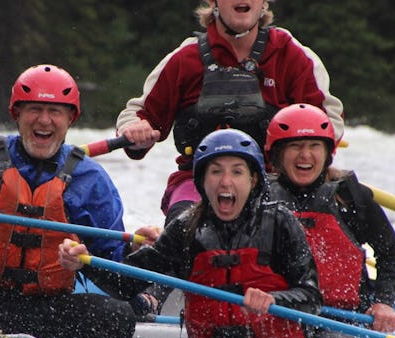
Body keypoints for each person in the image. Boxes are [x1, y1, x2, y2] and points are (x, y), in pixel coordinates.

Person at [60, 129, 323, 338]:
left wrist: (274, 300)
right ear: (201, 180)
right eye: (216, 172)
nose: (225, 182)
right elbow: (127, 284)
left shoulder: (281, 223)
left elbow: (311, 297)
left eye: (237, 172)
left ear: (254, 179)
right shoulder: (186, 229)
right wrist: (84, 263)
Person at [0, 64, 145, 338]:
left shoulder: (90, 180)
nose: (44, 120)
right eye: (34, 109)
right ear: (17, 114)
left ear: (70, 118)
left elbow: (113, 268)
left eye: (55, 112)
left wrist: (121, 263)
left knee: (116, 315)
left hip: (51, 309)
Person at [116, 0, 346, 223]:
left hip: (276, 183)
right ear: (213, 1)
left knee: (284, 229)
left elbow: (328, 123)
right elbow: (138, 115)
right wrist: (136, 131)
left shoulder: (292, 55)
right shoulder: (184, 58)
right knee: (183, 227)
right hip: (197, 183)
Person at [265, 103, 395, 338]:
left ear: (328, 152)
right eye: (296, 146)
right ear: (278, 154)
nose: (305, 155)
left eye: (314, 145)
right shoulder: (259, 197)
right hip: (279, 313)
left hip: (342, 320)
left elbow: (390, 253)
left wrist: (384, 302)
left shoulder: (352, 197)